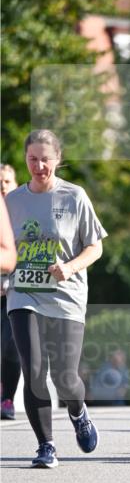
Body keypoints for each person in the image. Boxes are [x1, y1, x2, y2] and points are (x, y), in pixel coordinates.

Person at [5, 130, 106, 468]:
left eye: (45, 159)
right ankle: (45, 445)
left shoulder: (74, 197)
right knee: (33, 370)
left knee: (65, 377)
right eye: (32, 159)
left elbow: (96, 246)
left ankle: (78, 411)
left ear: (58, 159)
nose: (39, 165)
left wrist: (71, 266)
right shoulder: (12, 202)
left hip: (66, 296)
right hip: (24, 295)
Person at [1, 165, 20, 419]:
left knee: (12, 347)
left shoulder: (23, 214)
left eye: (7, 181)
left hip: (15, 291)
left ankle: (7, 399)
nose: (3, 185)